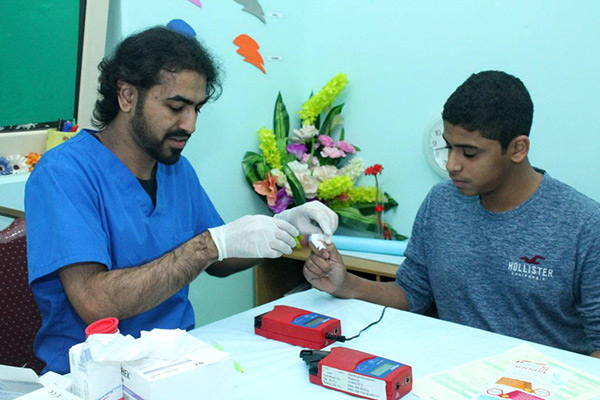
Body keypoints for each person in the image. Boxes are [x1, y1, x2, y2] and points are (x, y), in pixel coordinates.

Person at [25, 26, 338, 374]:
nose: (190, 125)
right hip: (94, 377)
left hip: (176, 362)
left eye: (197, 109)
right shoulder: (64, 172)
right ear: (127, 96)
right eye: (176, 107)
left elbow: (219, 259)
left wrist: (284, 226)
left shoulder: (176, 170)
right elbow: (95, 302)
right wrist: (210, 244)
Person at [304, 71, 600, 358]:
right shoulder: (442, 202)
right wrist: (346, 284)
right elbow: (412, 293)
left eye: (469, 153)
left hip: (543, 382)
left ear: (518, 149)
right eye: (448, 147)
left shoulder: (584, 225)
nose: (451, 165)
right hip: (449, 375)